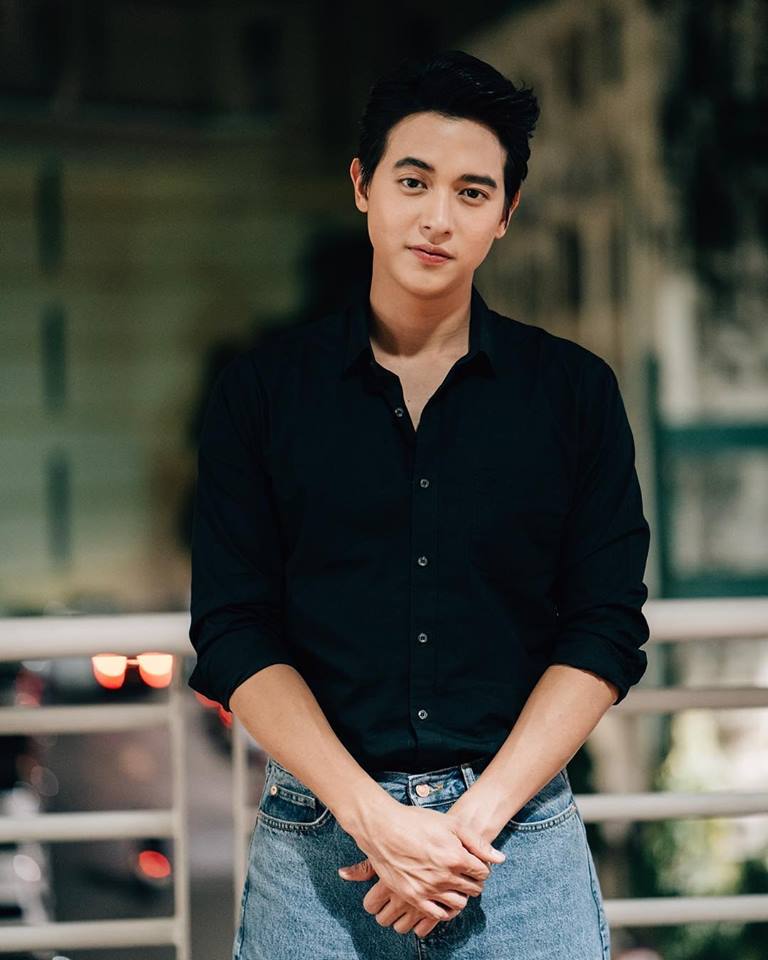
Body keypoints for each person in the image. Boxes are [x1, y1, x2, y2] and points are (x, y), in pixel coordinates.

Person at [188, 49, 650, 959]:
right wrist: (376, 821)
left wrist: (466, 828)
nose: (438, 217)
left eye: (473, 193)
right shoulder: (262, 395)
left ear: (506, 214)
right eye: (413, 181)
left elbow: (604, 628)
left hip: (515, 843)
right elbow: (235, 630)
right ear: (363, 185)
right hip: (318, 848)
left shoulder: (574, 394)